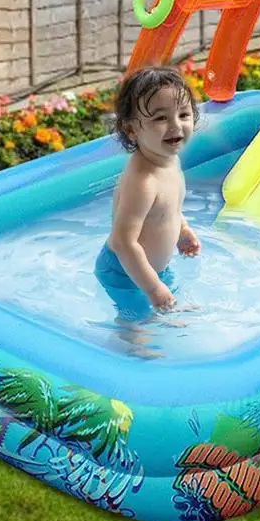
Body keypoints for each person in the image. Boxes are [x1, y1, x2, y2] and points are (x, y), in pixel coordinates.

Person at [94, 66, 202, 326]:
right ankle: (131, 349)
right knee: (135, 324)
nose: (176, 125)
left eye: (184, 114)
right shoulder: (143, 181)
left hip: (153, 269)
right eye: (160, 118)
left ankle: (160, 306)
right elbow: (123, 242)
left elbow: (169, 209)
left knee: (166, 305)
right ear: (131, 130)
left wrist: (182, 230)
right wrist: (153, 288)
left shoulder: (169, 161)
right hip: (123, 272)